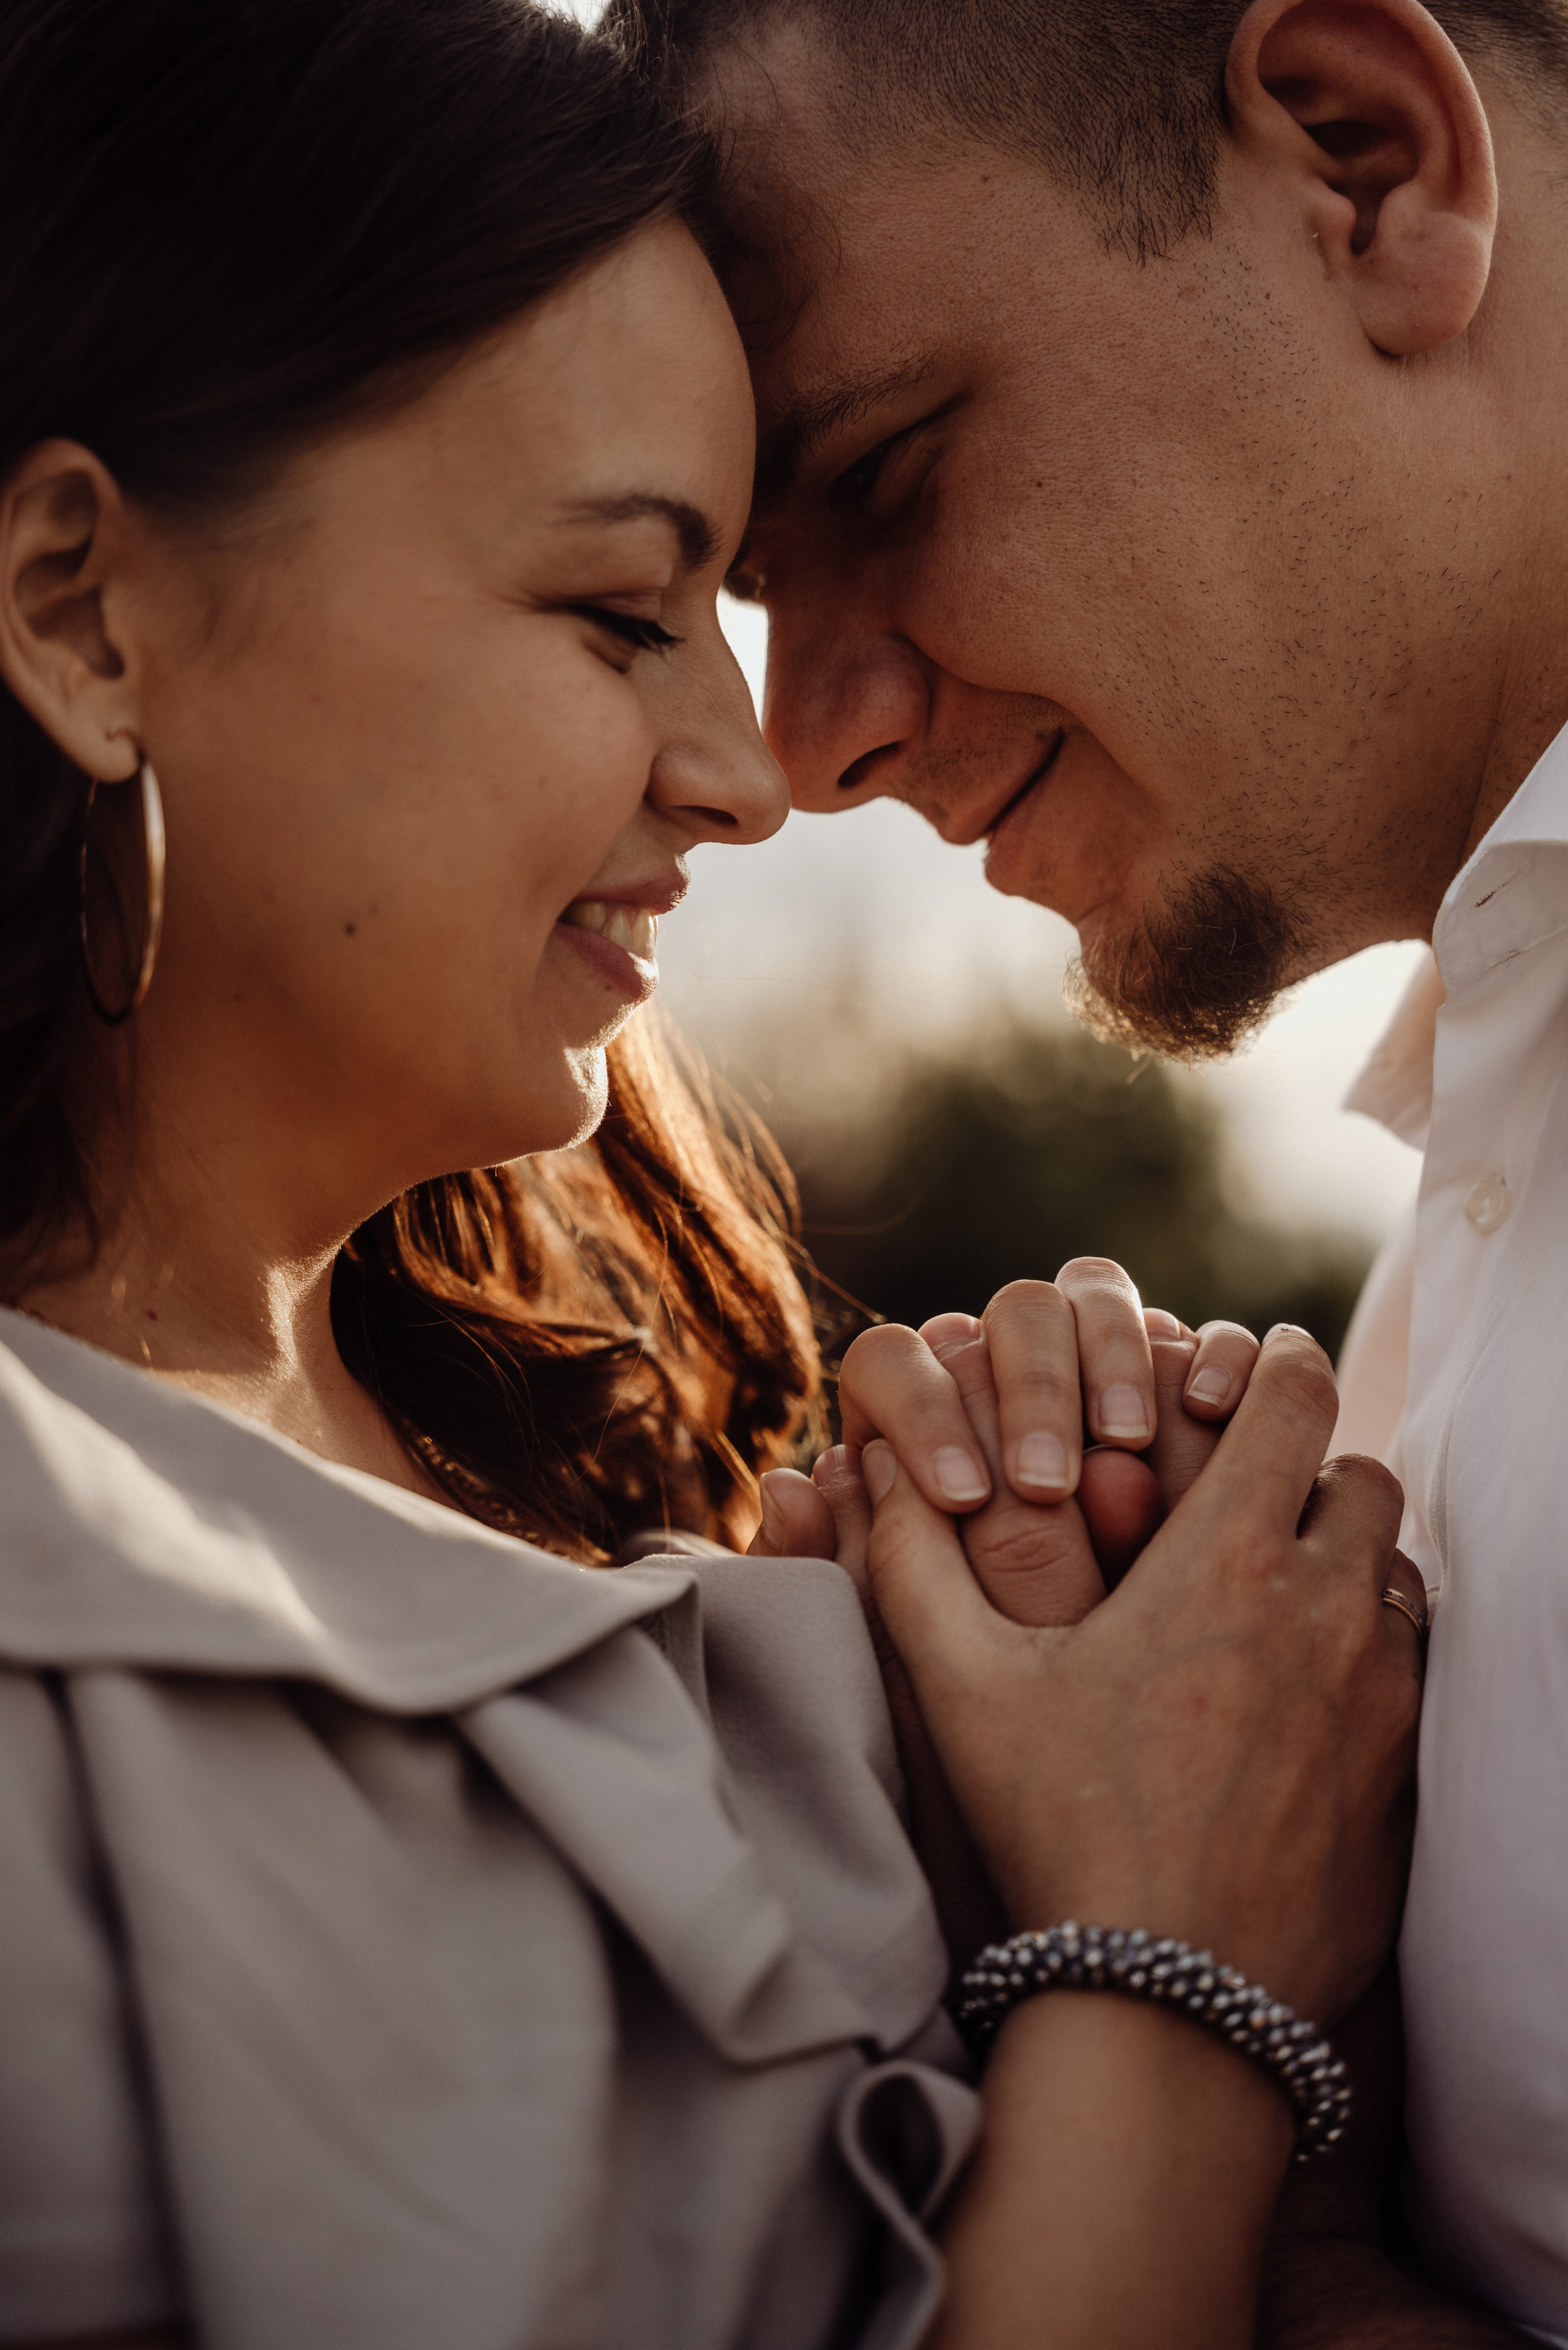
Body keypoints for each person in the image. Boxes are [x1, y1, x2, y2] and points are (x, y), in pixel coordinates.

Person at [0, 0, 1425, 2343]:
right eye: (616, 609)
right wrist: (1173, 1971)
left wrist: (1082, 1682)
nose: (754, 781)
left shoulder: (693, 1515)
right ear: (79, 608)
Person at [607, 0, 1568, 2339]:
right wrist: (1270, 2081)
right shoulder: (1490, 1169)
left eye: (893, 471)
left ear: (1367, 163)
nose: (801, 743)